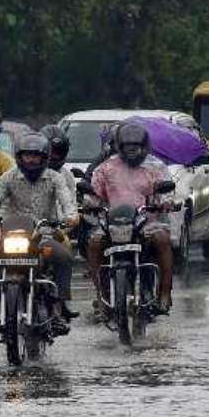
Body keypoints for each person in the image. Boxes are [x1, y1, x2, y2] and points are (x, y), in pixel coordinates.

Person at [0, 133, 78, 329]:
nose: (31, 160)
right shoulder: (9, 177)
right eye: (27, 155)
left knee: (63, 256)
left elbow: (66, 201)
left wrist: (71, 217)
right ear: (19, 157)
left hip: (43, 234)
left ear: (44, 157)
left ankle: (58, 307)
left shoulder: (55, 178)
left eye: (36, 156)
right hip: (12, 233)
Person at [88, 121, 175, 313]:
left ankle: (164, 293)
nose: (132, 151)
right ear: (119, 146)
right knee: (94, 243)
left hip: (147, 223)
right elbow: (94, 193)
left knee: (163, 240)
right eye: (127, 147)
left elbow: (167, 191)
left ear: (144, 146)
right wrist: (89, 202)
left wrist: (166, 201)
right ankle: (101, 295)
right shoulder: (106, 168)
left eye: (136, 146)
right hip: (113, 224)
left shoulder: (156, 167)